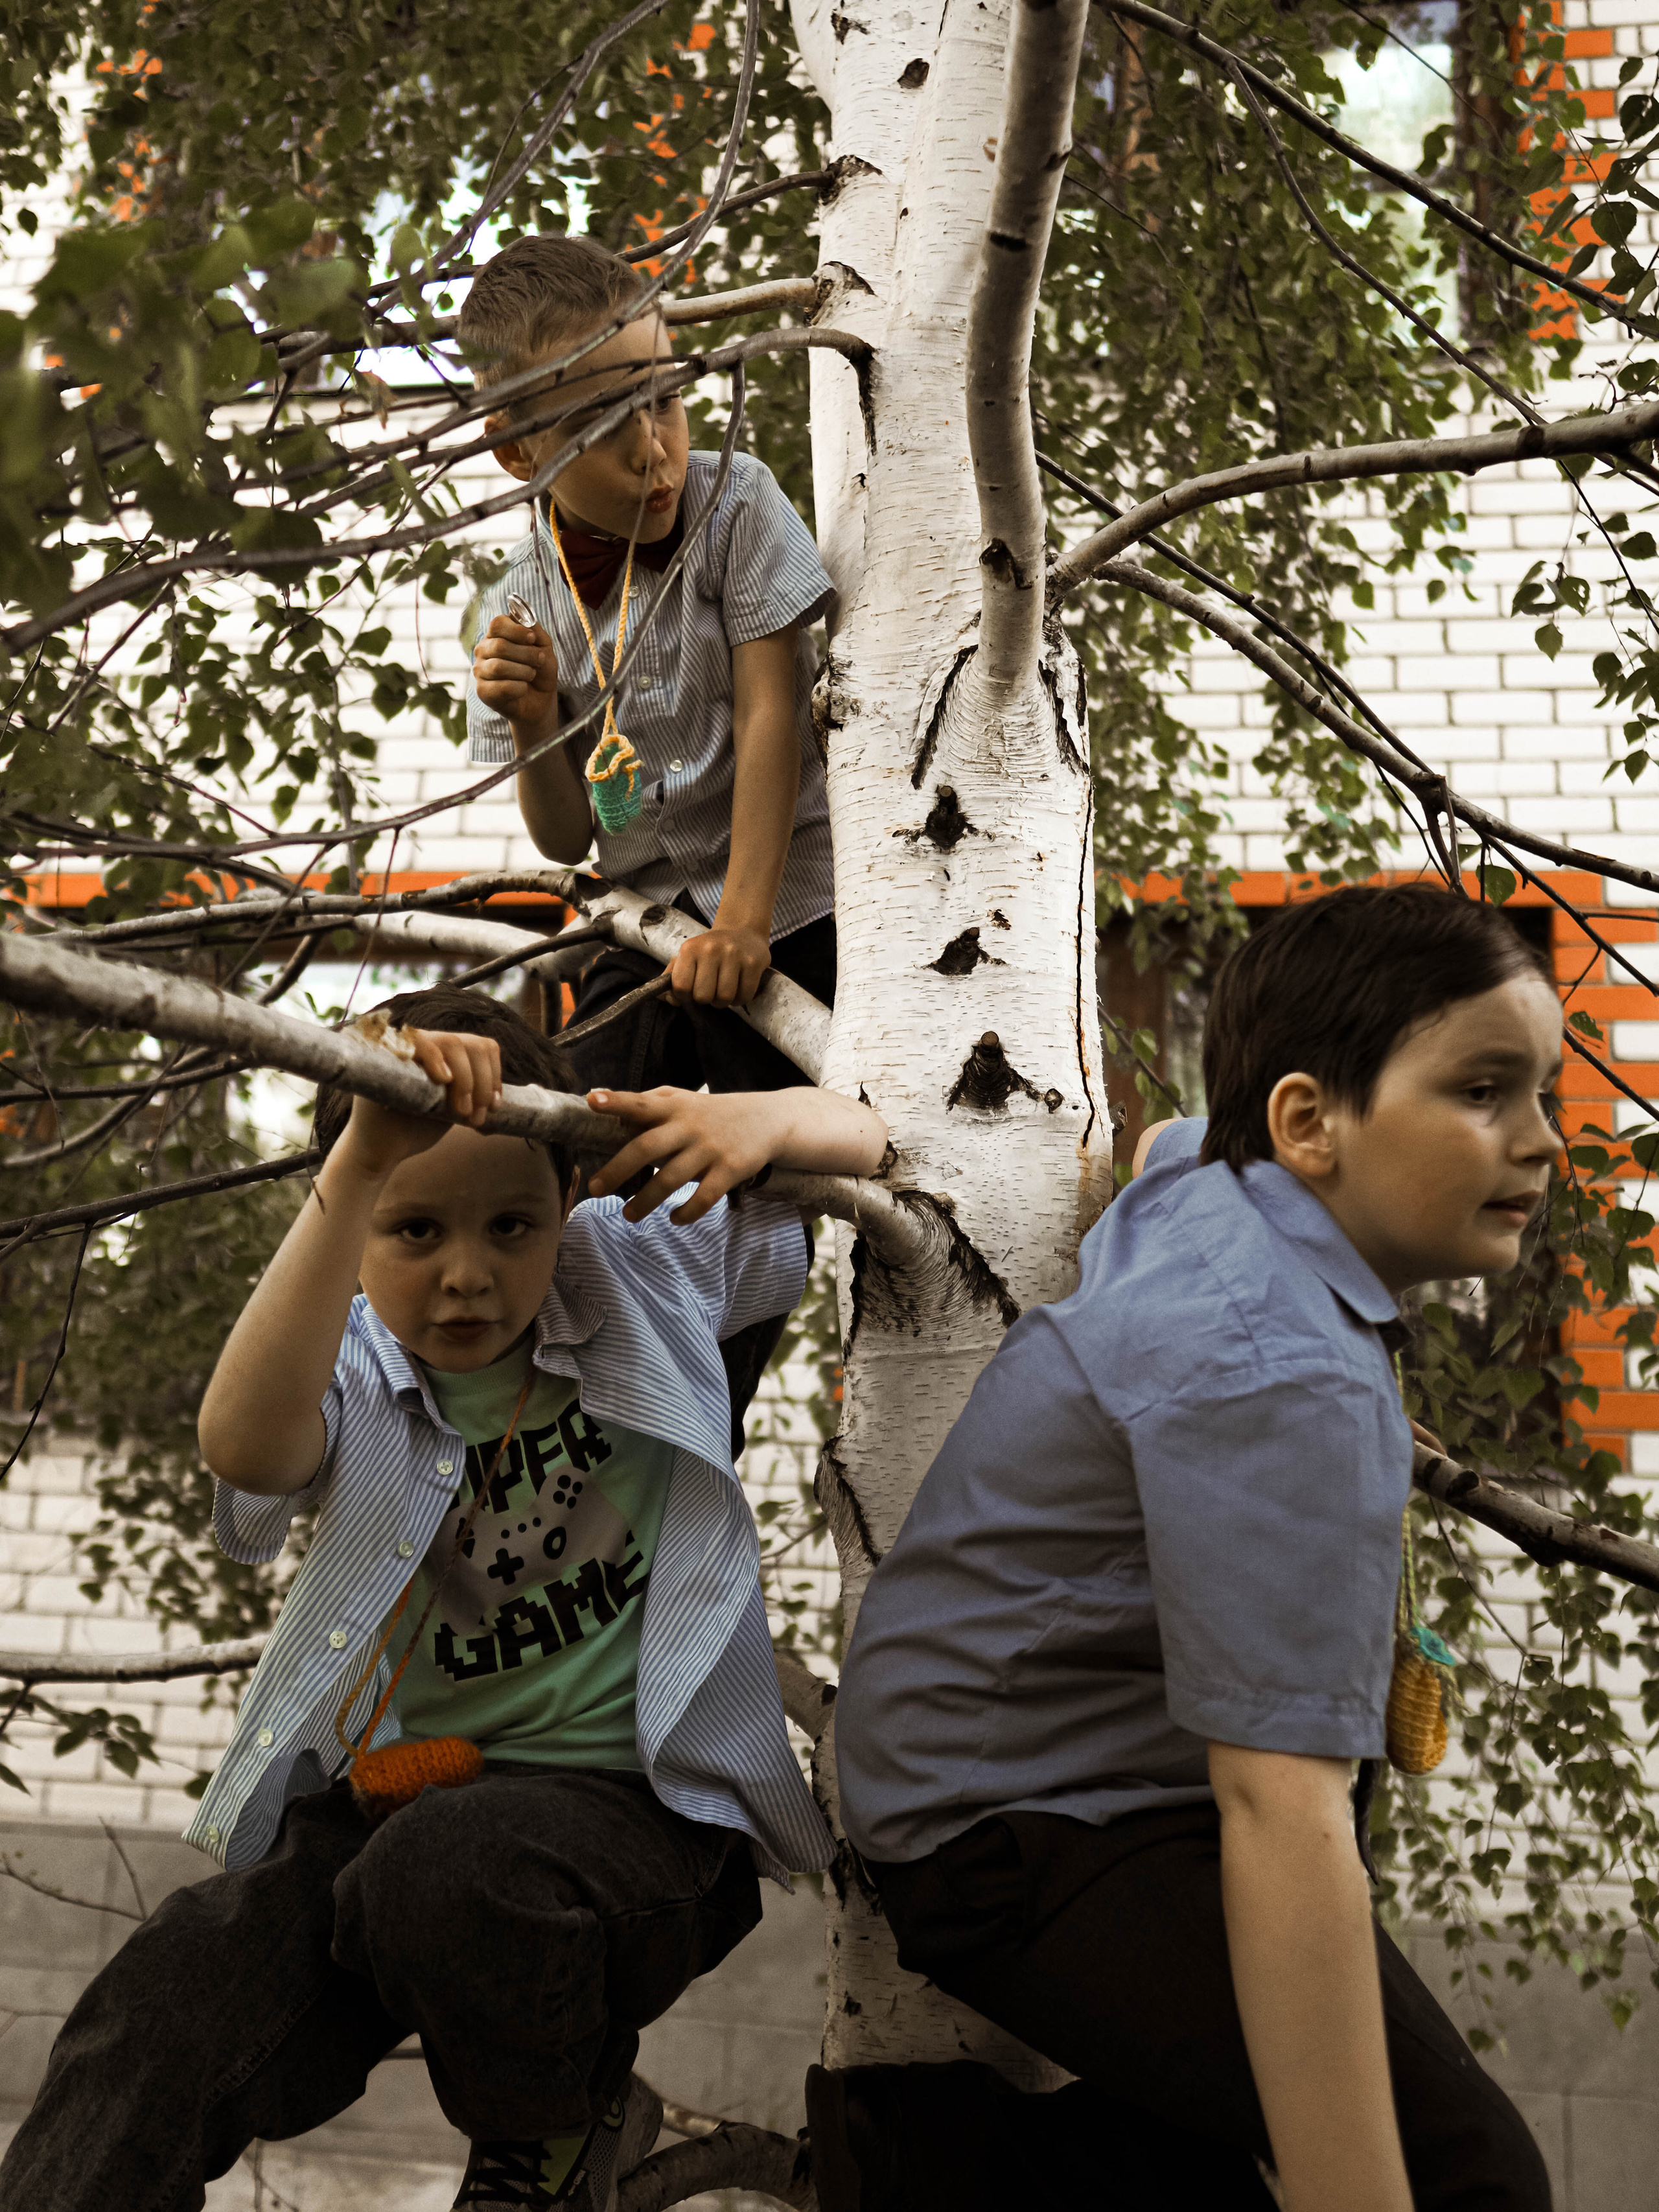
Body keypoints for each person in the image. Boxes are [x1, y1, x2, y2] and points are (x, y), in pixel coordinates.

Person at [2, 983, 888, 2212]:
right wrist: (367, 1144)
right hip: (394, 1824)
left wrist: (758, 1121)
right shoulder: (354, 1360)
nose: (468, 1277)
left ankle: (552, 2131)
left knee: (448, 1868)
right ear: (356, 1217)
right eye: (415, 1231)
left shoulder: (642, 1272)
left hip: (646, 1826)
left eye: (512, 1227)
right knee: (159, 2001)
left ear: (568, 1205)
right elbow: (246, 1449)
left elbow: (887, 1137)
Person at [813, 884, 1559, 2212]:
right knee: (1464, 2173)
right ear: (1305, 1123)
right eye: (1483, 1092)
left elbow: (1160, 1139)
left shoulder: (1209, 1188)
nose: (1542, 1140)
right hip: (1009, 1822)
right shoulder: (1279, 1379)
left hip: (1010, 1744)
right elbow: (1279, 1812)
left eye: (1540, 1090)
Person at [461, 232, 836, 1098]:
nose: (653, 449)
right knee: (583, 1106)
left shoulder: (738, 505)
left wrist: (742, 923)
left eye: (664, 401)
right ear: (519, 450)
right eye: (602, 423)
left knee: (768, 1146)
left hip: (787, 908)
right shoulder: (517, 607)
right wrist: (534, 721)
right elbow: (564, 838)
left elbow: (768, 712)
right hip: (643, 927)